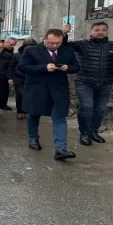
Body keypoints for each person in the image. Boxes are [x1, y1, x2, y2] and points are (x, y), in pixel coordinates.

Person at [62, 22, 113, 146]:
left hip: (105, 83)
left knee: (100, 109)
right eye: (97, 30)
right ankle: (84, 133)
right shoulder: (82, 44)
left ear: (107, 32)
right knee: (87, 107)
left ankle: (93, 131)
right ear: (91, 32)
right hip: (84, 82)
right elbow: (64, 45)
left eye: (103, 30)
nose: (100, 32)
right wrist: (64, 33)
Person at [19, 28, 79, 160]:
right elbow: (23, 67)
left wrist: (67, 68)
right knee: (33, 114)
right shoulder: (31, 51)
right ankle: (33, 138)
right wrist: (44, 68)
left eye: (58, 43)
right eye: (51, 43)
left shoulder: (67, 51)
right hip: (37, 89)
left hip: (59, 90)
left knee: (60, 117)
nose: (55, 46)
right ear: (44, 39)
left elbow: (76, 67)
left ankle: (60, 149)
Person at [7, 38, 38, 119]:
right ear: (24, 46)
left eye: (32, 46)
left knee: (30, 95)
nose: (30, 48)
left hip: (32, 78)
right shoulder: (17, 55)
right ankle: (20, 111)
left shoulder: (37, 56)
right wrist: (10, 78)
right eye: (28, 46)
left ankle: (27, 111)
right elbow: (11, 67)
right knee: (20, 95)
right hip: (19, 78)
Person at [0, 40, 12, 111]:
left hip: (3, 77)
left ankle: (3, 104)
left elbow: (10, 67)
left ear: (3, 47)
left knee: (4, 93)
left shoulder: (7, 56)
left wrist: (9, 77)